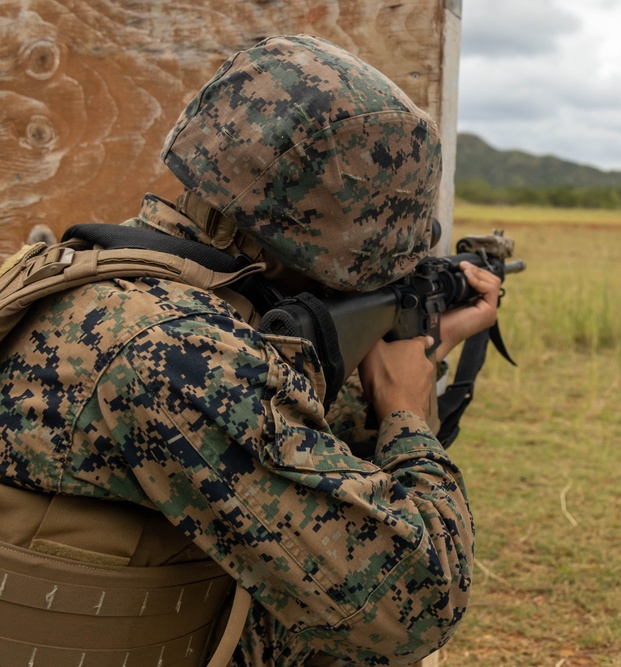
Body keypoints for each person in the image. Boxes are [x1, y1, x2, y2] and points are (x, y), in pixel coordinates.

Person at [0, 35, 499, 666]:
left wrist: (418, 337)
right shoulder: (178, 354)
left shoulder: (97, 282)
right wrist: (405, 406)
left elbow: (273, 434)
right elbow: (414, 607)